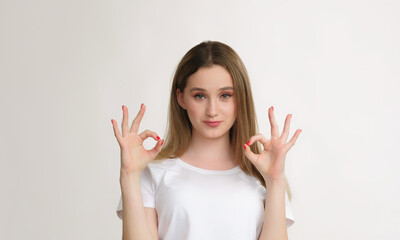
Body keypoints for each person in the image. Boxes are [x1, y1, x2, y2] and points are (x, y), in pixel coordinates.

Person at [112, 41, 302, 240]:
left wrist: (275, 180)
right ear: (181, 98)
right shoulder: (153, 173)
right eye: (200, 96)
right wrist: (129, 175)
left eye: (225, 95)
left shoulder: (263, 175)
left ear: (241, 99)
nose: (212, 111)